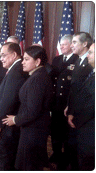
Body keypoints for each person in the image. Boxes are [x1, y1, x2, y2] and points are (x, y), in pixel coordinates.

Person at [3, 45, 53, 170]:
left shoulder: (37, 79)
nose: (22, 62)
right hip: (32, 128)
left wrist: (15, 120)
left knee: (28, 165)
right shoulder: (37, 75)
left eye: (26, 59)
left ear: (37, 61)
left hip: (34, 131)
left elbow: (32, 111)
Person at [0, 42, 28, 170]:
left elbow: (8, 101)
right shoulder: (13, 69)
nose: (0, 58)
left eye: (3, 55)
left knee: (6, 160)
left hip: (7, 127)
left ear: (13, 55)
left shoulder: (16, 71)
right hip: (6, 125)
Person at [64, 32, 93, 170]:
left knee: (79, 149)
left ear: (85, 44)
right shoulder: (77, 60)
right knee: (72, 145)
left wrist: (74, 113)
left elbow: (87, 94)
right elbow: (73, 88)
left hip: (83, 116)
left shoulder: (90, 63)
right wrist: (69, 107)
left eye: (75, 42)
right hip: (74, 110)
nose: (71, 45)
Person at [49, 34, 79, 168]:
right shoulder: (56, 59)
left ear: (71, 45)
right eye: (60, 45)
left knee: (66, 133)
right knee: (55, 130)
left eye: (64, 45)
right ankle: (56, 154)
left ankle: (65, 158)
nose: (61, 47)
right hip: (56, 102)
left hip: (67, 102)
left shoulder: (77, 59)